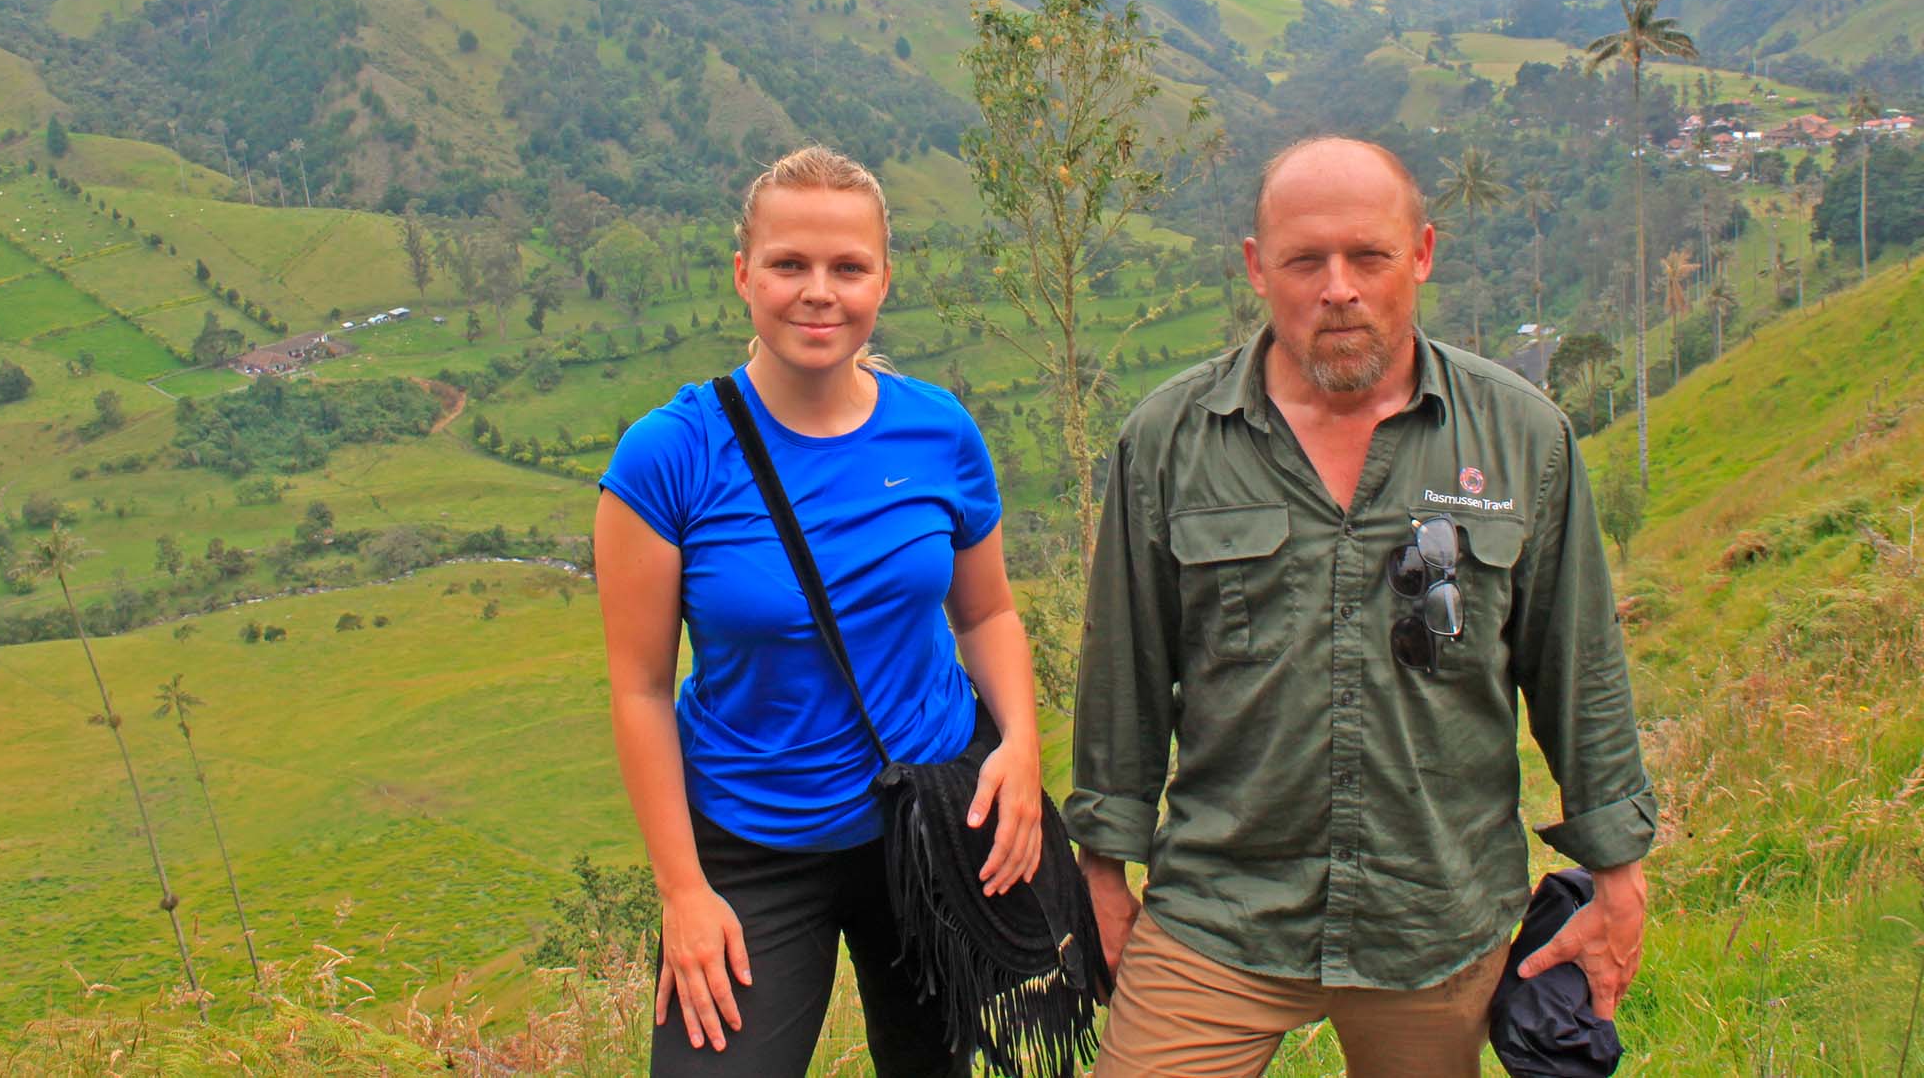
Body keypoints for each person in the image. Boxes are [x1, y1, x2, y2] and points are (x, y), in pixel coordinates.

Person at [1066, 136, 1657, 1076]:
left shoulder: (1522, 437)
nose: (1337, 286)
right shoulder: (1170, 440)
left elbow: (1577, 664)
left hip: (1434, 916)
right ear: (1260, 270)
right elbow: (1122, 675)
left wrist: (1619, 875)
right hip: (1220, 907)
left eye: (1368, 257)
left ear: (1419, 255)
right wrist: (1099, 866)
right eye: (1305, 260)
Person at [595, 145, 1046, 1075]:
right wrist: (682, 890)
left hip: (925, 825)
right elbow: (639, 687)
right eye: (789, 264)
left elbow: (989, 615)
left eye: (848, 268)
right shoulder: (669, 456)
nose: (819, 292)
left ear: (884, 279)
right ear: (743, 275)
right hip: (751, 838)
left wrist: (1023, 747)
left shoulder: (939, 431)